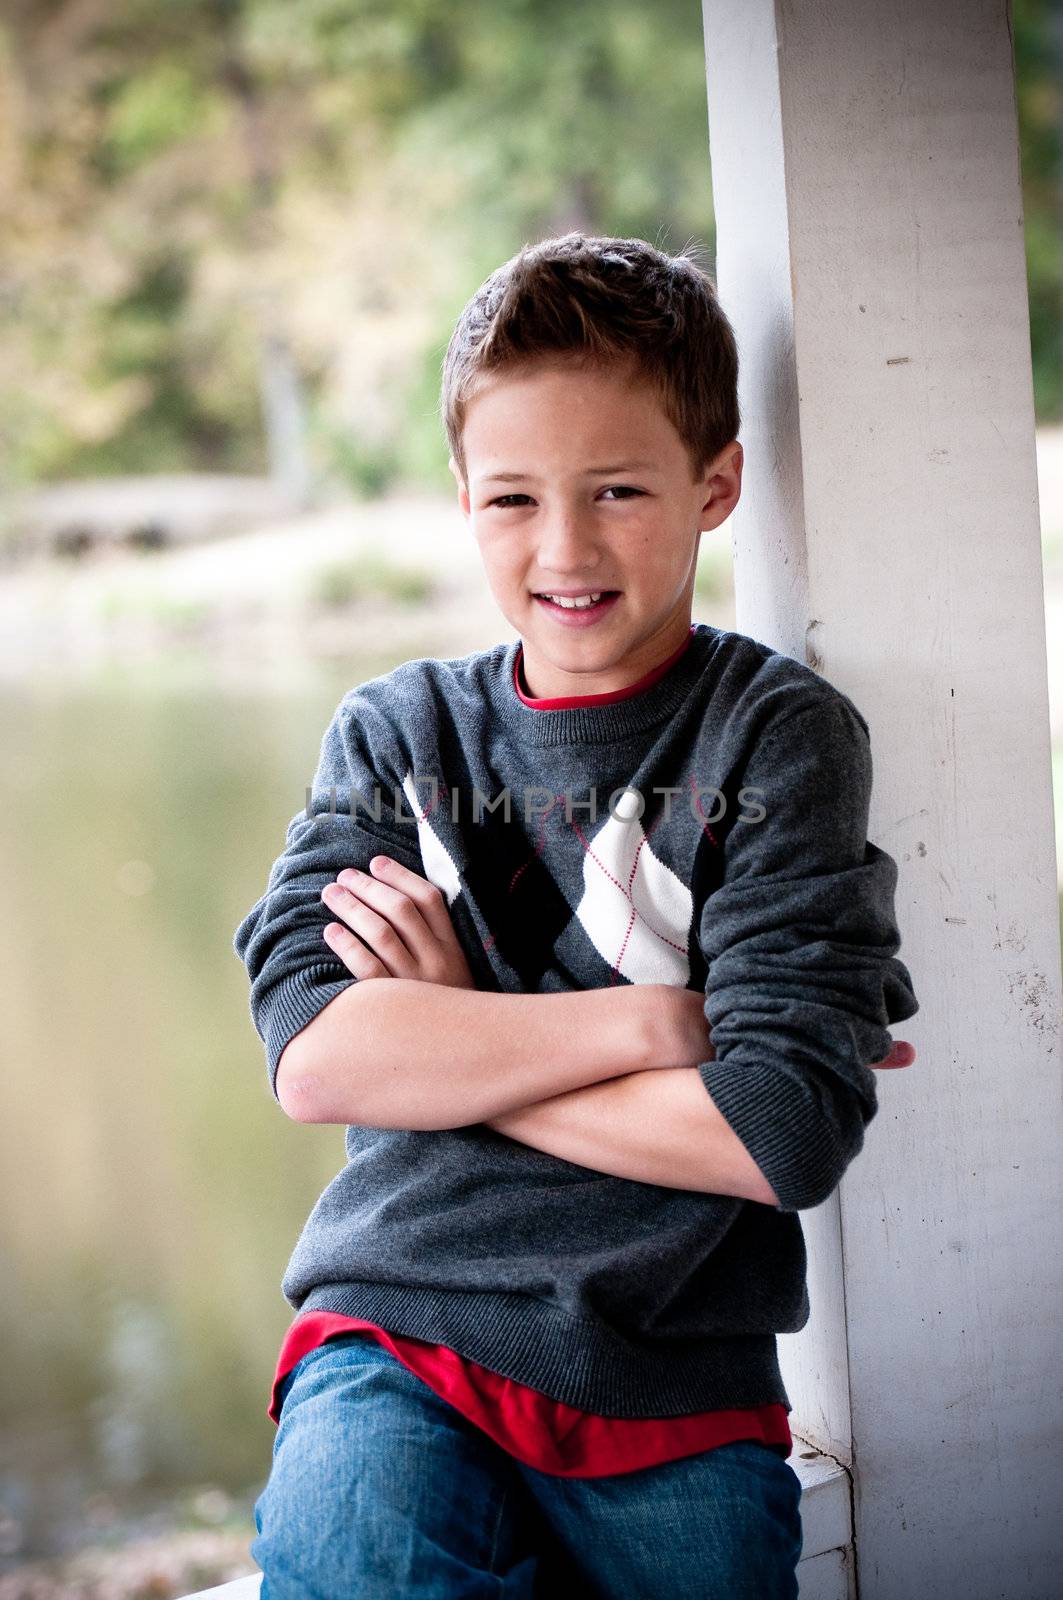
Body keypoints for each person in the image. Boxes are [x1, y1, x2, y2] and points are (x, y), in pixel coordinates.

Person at [233, 231, 919, 1599]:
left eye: (617, 490)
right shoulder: (399, 735)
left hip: (675, 1365)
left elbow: (778, 1131)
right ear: (462, 497)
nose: (565, 548)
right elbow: (318, 1059)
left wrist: (459, 1044)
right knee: (356, 1555)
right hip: (402, 1318)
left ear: (714, 484)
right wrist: (656, 1024)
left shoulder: (770, 738)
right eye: (512, 500)